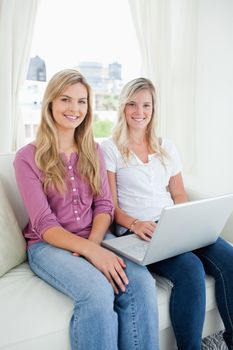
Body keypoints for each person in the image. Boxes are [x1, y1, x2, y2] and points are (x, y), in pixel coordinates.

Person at [14, 69, 159, 350]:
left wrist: (94, 245)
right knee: (96, 291)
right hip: (48, 245)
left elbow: (104, 205)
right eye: (66, 100)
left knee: (141, 282)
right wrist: (92, 252)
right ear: (51, 104)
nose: (74, 108)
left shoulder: (95, 150)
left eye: (82, 102)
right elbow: (44, 224)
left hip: (97, 236)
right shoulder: (26, 158)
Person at [101, 77, 233, 350]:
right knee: (190, 269)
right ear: (123, 108)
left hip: (174, 223)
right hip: (137, 229)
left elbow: (179, 194)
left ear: (154, 108)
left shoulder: (166, 147)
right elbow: (110, 206)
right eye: (133, 104)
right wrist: (136, 224)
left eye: (146, 105)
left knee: (229, 258)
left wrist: (184, 219)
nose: (140, 112)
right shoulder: (110, 149)